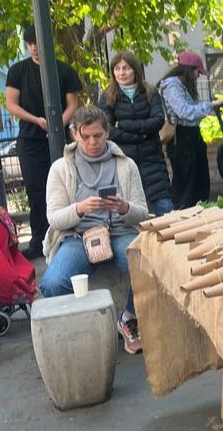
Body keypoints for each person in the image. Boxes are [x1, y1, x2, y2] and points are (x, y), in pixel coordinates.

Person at [39, 106, 148, 354]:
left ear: (107, 133)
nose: (92, 142)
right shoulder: (60, 168)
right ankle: (84, 326)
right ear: (74, 134)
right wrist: (79, 208)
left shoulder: (126, 164)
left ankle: (129, 318)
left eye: (98, 136)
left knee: (144, 264)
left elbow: (142, 211)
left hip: (119, 231)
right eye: (85, 136)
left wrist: (124, 207)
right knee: (53, 283)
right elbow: (54, 218)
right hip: (77, 236)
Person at [4, 26, 82, 260]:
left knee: (67, 186)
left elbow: (72, 104)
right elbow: (11, 103)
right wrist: (37, 121)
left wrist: (56, 125)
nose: (34, 47)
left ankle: (70, 234)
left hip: (58, 139)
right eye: (30, 43)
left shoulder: (64, 70)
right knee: (36, 191)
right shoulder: (18, 70)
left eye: (37, 41)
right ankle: (39, 240)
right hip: (29, 139)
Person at [98, 51, 174, 215]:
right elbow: (108, 130)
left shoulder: (150, 91)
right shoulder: (107, 96)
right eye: (117, 69)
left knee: (165, 208)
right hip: (124, 159)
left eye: (126, 68)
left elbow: (157, 121)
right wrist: (141, 135)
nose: (121, 73)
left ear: (135, 70)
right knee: (132, 212)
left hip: (152, 160)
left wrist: (124, 124)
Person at [158, 51, 223, 208]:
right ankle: (183, 219)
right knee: (186, 186)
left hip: (192, 136)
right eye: (197, 71)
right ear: (189, 70)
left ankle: (200, 214)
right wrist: (210, 106)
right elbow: (185, 112)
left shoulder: (182, 85)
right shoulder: (172, 85)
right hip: (181, 139)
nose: (198, 76)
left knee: (200, 182)